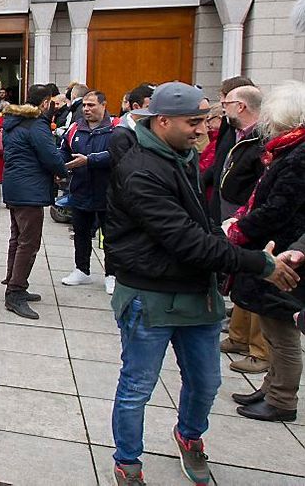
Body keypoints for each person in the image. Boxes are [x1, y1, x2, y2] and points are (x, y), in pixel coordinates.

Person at [103, 81, 299, 486]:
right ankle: (128, 461)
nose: (203, 129)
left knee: (206, 381)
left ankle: (190, 437)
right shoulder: (140, 169)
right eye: (194, 122)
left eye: (206, 119)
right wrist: (258, 264)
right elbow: (184, 239)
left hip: (196, 294)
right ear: (162, 121)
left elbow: (201, 225)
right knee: (136, 387)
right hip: (149, 297)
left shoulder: (181, 155)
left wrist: (228, 236)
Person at [224, 80, 305, 422]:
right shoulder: (288, 150)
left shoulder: (297, 157)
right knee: (272, 326)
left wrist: (241, 228)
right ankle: (271, 387)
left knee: (281, 328)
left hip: (284, 252)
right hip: (275, 245)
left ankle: (282, 399)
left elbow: (278, 207)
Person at [0, 85, 69, 320]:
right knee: (28, 243)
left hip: (15, 185)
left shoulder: (15, 121)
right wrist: (62, 172)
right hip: (29, 189)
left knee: (17, 238)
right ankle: (15, 293)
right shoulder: (37, 124)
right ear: (45, 103)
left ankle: (14, 281)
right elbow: (51, 156)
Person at [214, 85, 269, 375]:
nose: (223, 107)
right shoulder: (236, 133)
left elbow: (263, 187)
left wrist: (245, 217)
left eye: (227, 102)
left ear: (243, 106)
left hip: (252, 220)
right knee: (240, 278)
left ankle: (259, 349)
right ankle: (238, 335)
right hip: (232, 213)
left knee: (255, 278)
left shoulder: (262, 139)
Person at [59, 91, 118, 293]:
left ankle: (112, 274)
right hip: (80, 190)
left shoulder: (116, 128)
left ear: (103, 105)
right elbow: (63, 151)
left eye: (91, 105)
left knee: (110, 235)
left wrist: (91, 160)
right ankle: (81, 269)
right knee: (81, 233)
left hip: (108, 193)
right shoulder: (75, 128)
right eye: (84, 105)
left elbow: (119, 154)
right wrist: (61, 167)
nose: (86, 109)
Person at [202, 76, 256, 223]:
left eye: (226, 100)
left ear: (240, 104)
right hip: (218, 200)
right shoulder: (229, 125)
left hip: (238, 209)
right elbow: (220, 160)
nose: (222, 105)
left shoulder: (259, 136)